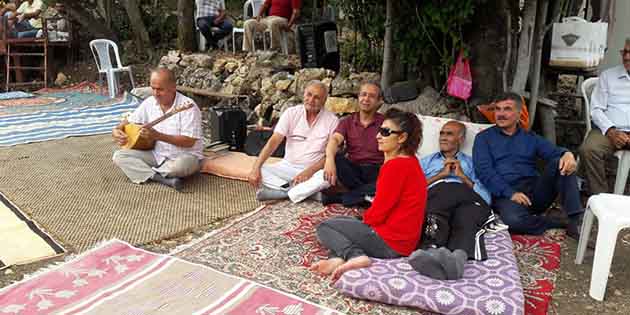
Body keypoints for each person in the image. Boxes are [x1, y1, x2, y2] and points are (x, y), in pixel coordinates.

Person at [310, 109, 427, 280]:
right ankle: (336, 258)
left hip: (391, 243)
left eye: (386, 132)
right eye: (380, 130)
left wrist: (365, 223)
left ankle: (354, 255)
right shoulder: (410, 161)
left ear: (402, 138)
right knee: (346, 223)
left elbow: (379, 211)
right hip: (403, 240)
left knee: (325, 227)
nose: (378, 136)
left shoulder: (396, 167)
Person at [473, 92, 584, 239]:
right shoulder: (483, 138)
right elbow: (484, 171)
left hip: (535, 192)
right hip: (506, 195)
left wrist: (567, 154)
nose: (500, 114)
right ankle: (556, 222)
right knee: (513, 221)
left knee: (561, 162)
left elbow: (554, 152)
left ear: (519, 114)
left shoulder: (530, 137)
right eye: (497, 109)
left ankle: (574, 220)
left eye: (507, 109)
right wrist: (510, 193)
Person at [291, 81, 384, 205]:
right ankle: (367, 195)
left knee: (391, 182)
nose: (366, 99)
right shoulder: (347, 121)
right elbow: (334, 140)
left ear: (379, 101)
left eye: (371, 96)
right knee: (337, 158)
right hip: (353, 171)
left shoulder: (385, 122)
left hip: (377, 170)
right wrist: (329, 160)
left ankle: (342, 198)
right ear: (358, 97)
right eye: (363, 94)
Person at [112, 68, 203, 191]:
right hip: (157, 155)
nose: (155, 93)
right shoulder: (149, 102)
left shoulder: (188, 107)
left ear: (173, 87)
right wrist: (117, 130)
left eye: (160, 89)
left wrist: (158, 136)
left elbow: (189, 141)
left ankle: (147, 173)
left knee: (180, 167)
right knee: (119, 156)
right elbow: (128, 121)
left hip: (183, 156)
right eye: (152, 88)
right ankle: (162, 178)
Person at [248, 80, 338, 201]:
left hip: (314, 170)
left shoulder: (332, 120)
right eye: (309, 95)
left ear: (324, 100)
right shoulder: (291, 113)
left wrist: (308, 172)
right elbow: (274, 142)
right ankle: (307, 193)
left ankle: (283, 193)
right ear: (304, 94)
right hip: (287, 166)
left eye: (317, 97)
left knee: (326, 177)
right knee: (260, 170)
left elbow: (329, 155)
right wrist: (255, 168)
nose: (311, 100)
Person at [420, 121, 493, 260]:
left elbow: (485, 199)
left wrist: (462, 177)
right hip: (437, 197)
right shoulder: (426, 162)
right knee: (465, 216)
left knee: (455, 194)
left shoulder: (472, 164)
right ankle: (456, 258)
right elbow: (411, 190)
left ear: (461, 139)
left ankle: (433, 246)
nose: (443, 137)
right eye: (442, 133)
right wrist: (441, 175)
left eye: (449, 134)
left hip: (465, 196)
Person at [579, 38, 630, 195]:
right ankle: (601, 198)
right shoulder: (608, 76)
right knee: (589, 149)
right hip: (609, 130)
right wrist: (611, 131)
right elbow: (596, 109)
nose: (627, 57)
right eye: (625, 52)